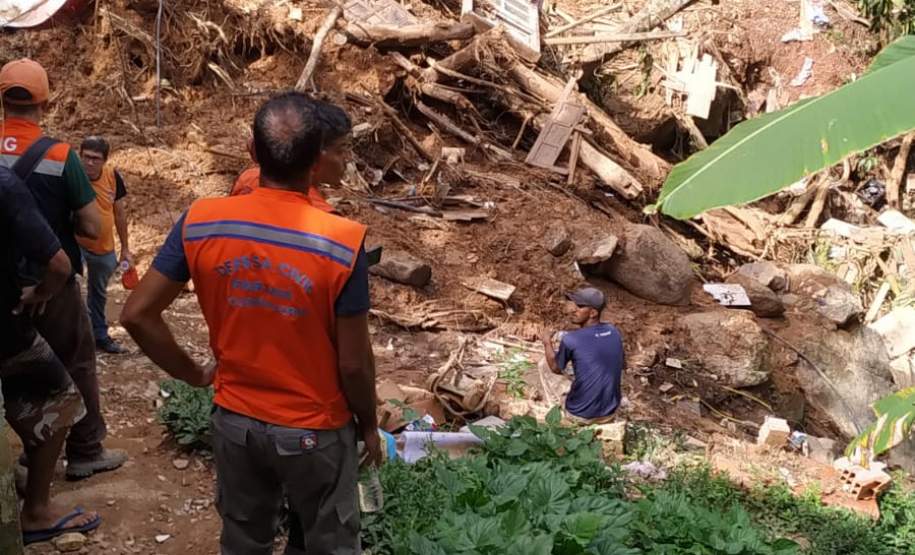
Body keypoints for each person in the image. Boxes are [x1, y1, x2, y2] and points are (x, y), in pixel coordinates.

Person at [121, 93, 379, 555]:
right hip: (313, 430)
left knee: (243, 542)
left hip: (236, 422)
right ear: (318, 160)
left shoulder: (200, 221)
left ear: (252, 151)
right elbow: (355, 365)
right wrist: (370, 424)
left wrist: (192, 373)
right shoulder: (342, 241)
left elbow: (137, 314)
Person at [0, 58, 128, 479]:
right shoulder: (59, 155)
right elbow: (92, 225)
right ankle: (85, 450)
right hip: (50, 283)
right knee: (76, 360)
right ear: (45, 101)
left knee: (18, 366)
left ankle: (27, 453)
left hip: (3, 286)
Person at [0, 164, 101, 544]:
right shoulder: (5, 185)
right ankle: (38, 511)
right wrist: (41, 293)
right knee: (60, 403)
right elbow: (60, 264)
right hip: (6, 332)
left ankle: (15, 476)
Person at [228, 99, 351, 214]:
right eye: (340, 150)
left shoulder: (248, 179)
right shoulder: (324, 218)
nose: (346, 158)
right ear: (316, 158)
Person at [76, 136, 132, 354]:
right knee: (71, 289)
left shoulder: (112, 176)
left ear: (105, 160)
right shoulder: (73, 175)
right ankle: (73, 338)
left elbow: (119, 213)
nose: (89, 163)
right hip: (76, 243)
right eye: (86, 157)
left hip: (103, 246)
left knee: (98, 293)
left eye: (95, 159)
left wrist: (125, 248)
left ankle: (99, 335)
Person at [540, 287, 625, 424]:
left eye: (580, 306)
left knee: (544, 364)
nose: (573, 309)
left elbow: (555, 368)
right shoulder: (614, 331)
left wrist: (546, 342)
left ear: (593, 313)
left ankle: (556, 412)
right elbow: (621, 365)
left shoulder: (572, 339)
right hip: (609, 412)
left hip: (580, 414)